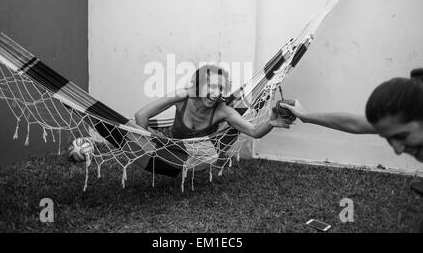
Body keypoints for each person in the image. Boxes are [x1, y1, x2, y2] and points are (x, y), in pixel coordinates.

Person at [280, 68, 423, 194]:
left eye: (402, 136)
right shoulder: (399, 124)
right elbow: (354, 123)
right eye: (388, 138)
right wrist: (305, 115)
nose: (397, 150)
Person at [134, 64, 294, 176]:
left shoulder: (223, 111)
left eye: (221, 88)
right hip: (165, 143)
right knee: (136, 127)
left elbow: (254, 131)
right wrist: (146, 150)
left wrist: (271, 122)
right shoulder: (182, 97)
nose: (216, 93)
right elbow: (141, 116)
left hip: (195, 153)